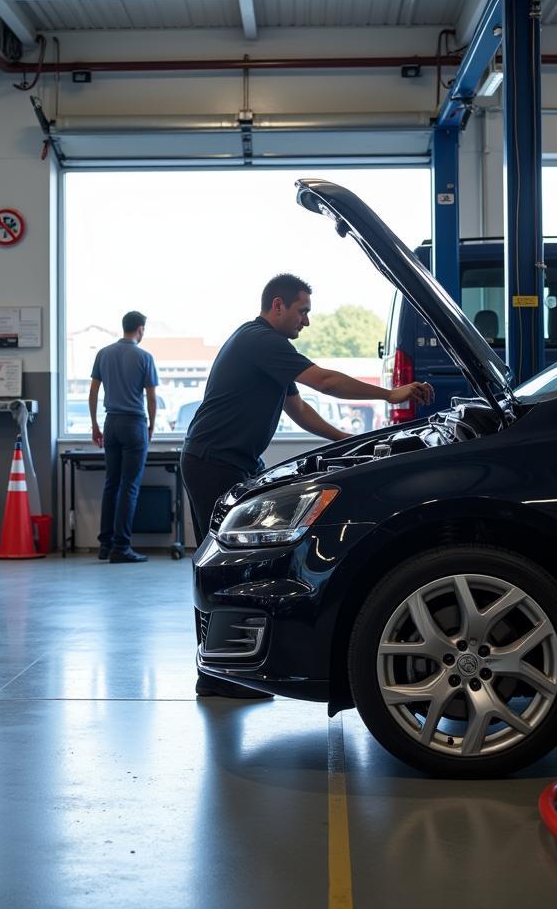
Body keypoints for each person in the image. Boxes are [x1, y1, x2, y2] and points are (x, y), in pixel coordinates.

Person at [182, 273, 434, 698]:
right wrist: (391, 395)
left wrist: (348, 442)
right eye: (302, 311)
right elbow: (327, 382)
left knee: (232, 564)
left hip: (229, 462)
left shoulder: (263, 348)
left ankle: (225, 667)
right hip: (213, 462)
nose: (307, 322)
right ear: (277, 306)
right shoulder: (261, 341)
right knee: (224, 568)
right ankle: (215, 676)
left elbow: (298, 408)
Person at [89, 310, 160, 564]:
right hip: (133, 424)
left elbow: (93, 392)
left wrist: (95, 425)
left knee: (112, 484)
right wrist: (152, 426)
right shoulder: (144, 357)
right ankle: (122, 547)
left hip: (111, 423)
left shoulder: (103, 354)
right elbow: (151, 397)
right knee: (129, 486)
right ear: (140, 329)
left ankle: (105, 546)